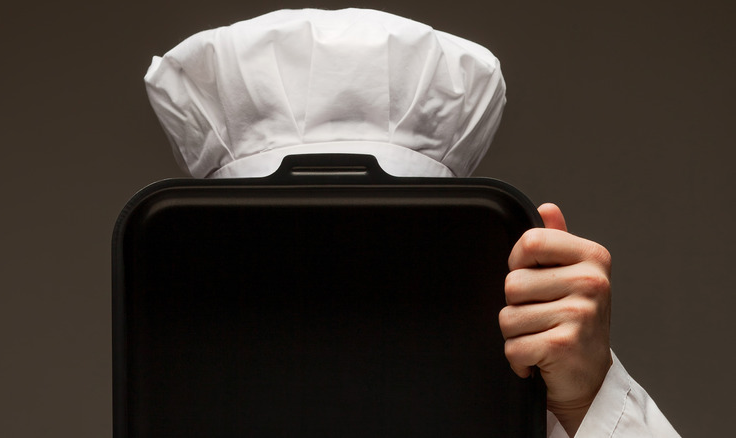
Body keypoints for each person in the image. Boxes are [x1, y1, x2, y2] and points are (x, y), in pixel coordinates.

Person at [143, 8, 680, 437]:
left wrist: (587, 399)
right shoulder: (172, 395)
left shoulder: (508, 401)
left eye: (383, 247)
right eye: (284, 251)